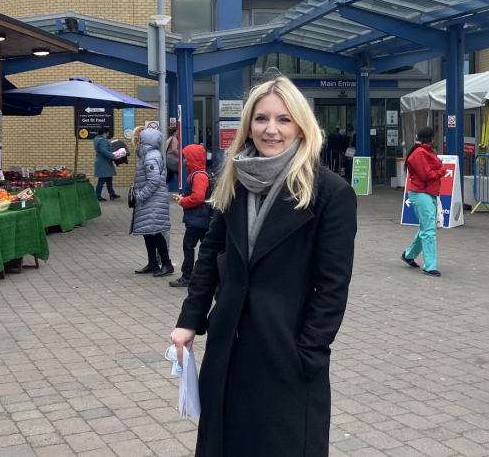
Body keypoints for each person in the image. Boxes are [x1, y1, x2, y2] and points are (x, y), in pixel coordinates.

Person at [169, 76, 357, 457]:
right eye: (261, 119)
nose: (271, 130)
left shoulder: (330, 193)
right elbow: (212, 252)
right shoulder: (235, 179)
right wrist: (191, 318)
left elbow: (333, 287)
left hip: (285, 350)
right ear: (248, 125)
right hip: (230, 347)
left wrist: (308, 352)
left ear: (301, 125)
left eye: (284, 120)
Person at [400, 126, 445, 277]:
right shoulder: (421, 153)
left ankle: (409, 255)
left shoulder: (421, 151)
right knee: (429, 230)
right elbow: (427, 174)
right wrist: (442, 171)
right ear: (431, 138)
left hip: (423, 192)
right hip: (422, 192)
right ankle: (429, 266)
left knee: (427, 228)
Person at [130, 128, 173, 277]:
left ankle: (166, 264)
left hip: (151, 202)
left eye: (140, 139)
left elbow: (153, 181)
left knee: (155, 233)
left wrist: (140, 196)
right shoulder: (149, 156)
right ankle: (153, 263)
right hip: (150, 202)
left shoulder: (150, 157)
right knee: (148, 232)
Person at [169, 144, 212, 288]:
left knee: (189, 246)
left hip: (198, 219)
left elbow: (198, 197)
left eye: (186, 157)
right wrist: (183, 197)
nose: (184, 160)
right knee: (206, 248)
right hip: (200, 218)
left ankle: (187, 276)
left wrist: (183, 201)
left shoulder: (198, 175)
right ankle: (207, 277)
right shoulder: (198, 174)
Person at [93, 126, 119, 201]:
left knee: (109, 179)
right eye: (107, 133)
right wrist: (113, 156)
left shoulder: (96, 138)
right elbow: (103, 150)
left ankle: (112, 194)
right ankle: (97, 196)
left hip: (103, 162)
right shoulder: (102, 140)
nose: (108, 134)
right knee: (102, 179)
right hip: (104, 162)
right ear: (104, 133)